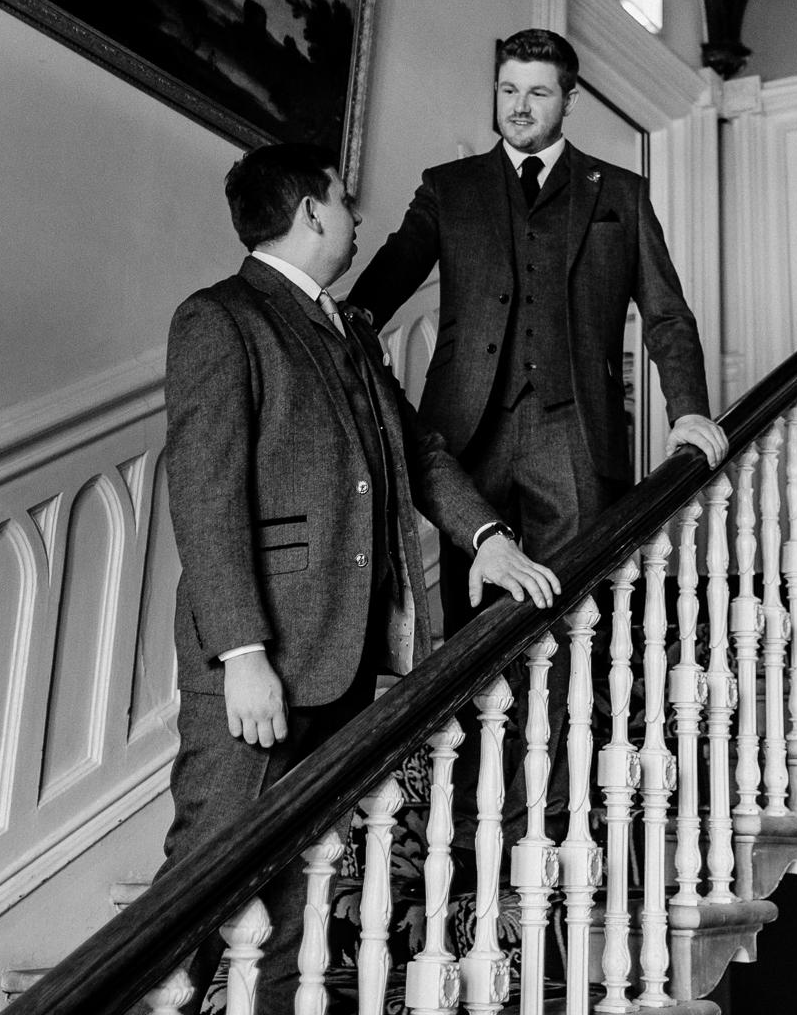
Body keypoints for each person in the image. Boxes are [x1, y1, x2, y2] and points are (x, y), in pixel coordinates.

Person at [156, 142, 559, 1015]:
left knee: (305, 879)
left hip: (344, 655)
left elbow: (414, 447)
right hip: (263, 661)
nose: (357, 216)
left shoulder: (344, 326)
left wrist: (484, 534)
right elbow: (205, 494)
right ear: (309, 213)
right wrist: (242, 651)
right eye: (344, 200)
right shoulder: (219, 319)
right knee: (201, 879)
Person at [346, 28, 727, 844]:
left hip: (574, 434)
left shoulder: (618, 191)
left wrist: (689, 406)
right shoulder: (448, 188)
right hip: (466, 438)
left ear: (569, 98)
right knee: (470, 618)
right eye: (509, 90)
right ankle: (467, 801)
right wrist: (348, 328)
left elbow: (664, 312)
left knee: (573, 618)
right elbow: (383, 278)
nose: (519, 107)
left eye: (538, 93)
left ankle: (546, 812)